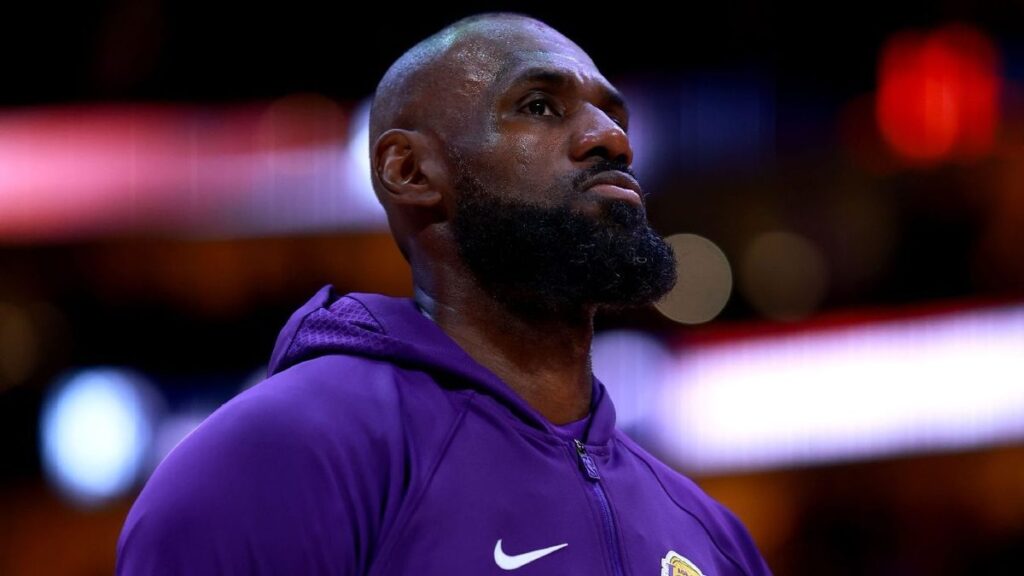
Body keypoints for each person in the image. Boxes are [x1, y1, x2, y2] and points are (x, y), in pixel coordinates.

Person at [116, 12, 771, 576]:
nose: (611, 139)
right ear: (409, 170)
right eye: (539, 106)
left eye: (613, 113)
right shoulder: (278, 454)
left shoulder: (711, 535)